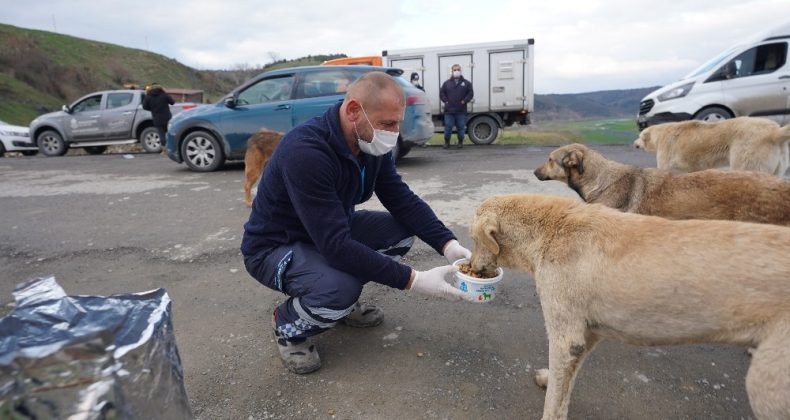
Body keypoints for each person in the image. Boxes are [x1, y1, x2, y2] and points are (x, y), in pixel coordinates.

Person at [241, 71, 473, 374]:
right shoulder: (306, 152)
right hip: (275, 248)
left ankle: (337, 301)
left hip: (325, 232)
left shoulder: (369, 145)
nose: (394, 132)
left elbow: (402, 199)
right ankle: (289, 326)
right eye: (387, 124)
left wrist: (448, 244)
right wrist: (413, 280)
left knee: (402, 234)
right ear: (353, 111)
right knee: (340, 288)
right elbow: (336, 246)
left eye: (398, 122)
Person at [439, 64, 474, 149]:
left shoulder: (466, 83)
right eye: (454, 70)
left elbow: (470, 93)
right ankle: (447, 143)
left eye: (458, 69)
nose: (456, 71)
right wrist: (446, 101)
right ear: (452, 71)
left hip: (461, 111)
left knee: (461, 128)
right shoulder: (446, 83)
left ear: (460, 71)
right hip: (449, 111)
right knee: (448, 127)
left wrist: (464, 101)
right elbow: (441, 93)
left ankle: (460, 142)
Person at [142, 83, 175, 152]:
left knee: (161, 134)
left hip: (157, 118)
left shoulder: (148, 96)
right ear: (160, 88)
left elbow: (144, 107)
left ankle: (165, 149)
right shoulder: (164, 95)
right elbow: (172, 102)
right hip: (167, 117)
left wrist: (151, 109)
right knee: (169, 132)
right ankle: (173, 148)